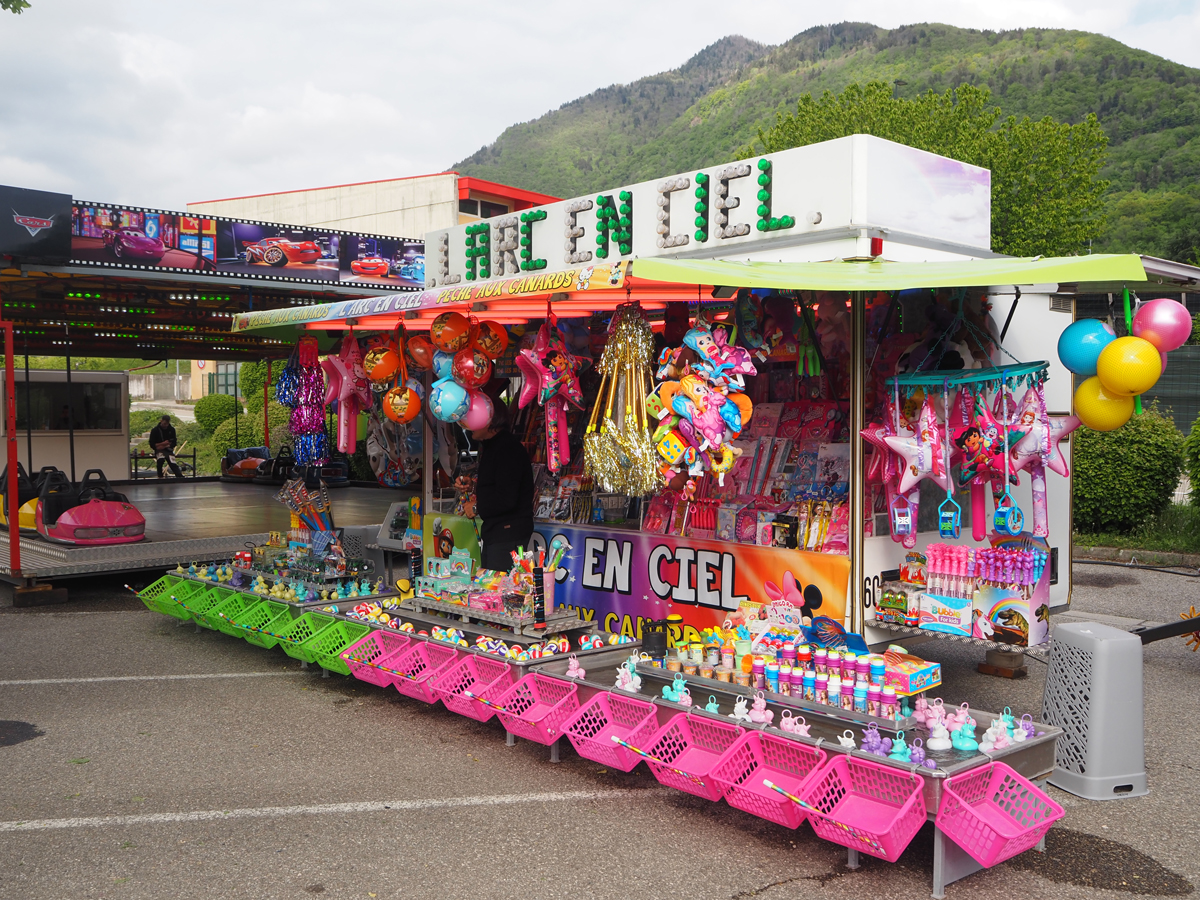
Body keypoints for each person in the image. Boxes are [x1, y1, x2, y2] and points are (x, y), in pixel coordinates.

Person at [468, 401, 533, 571]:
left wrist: (476, 507)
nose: (469, 424)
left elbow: (506, 498)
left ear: (490, 421)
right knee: (491, 588)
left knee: (502, 591)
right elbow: (497, 486)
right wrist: (474, 487)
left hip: (507, 534)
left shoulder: (507, 449)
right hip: (497, 533)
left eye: (474, 418)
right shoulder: (494, 447)